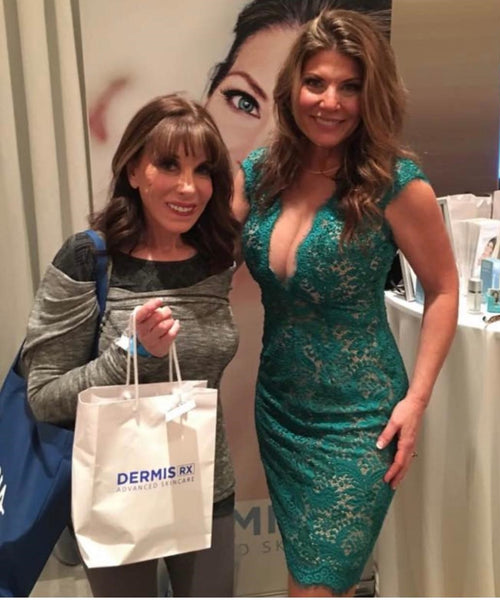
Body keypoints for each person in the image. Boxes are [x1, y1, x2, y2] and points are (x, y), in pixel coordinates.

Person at [233, 9, 459, 597]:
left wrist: (416, 401)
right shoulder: (261, 173)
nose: (329, 101)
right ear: (293, 88)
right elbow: (203, 249)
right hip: (280, 406)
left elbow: (444, 290)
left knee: (319, 585)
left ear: (370, 95)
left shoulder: (396, 184)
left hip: (359, 421)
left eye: (349, 86)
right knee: (304, 578)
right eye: (316, 82)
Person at [20, 93, 240, 597]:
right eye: (169, 165)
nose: (188, 187)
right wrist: (130, 355)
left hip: (205, 485)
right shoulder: (90, 259)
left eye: (203, 170)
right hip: (117, 489)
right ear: (134, 170)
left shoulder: (217, 257)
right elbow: (44, 397)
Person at [205, 0, 391, 172]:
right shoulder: (249, 181)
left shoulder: (395, 184)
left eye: (349, 87)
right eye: (245, 103)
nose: (256, 156)